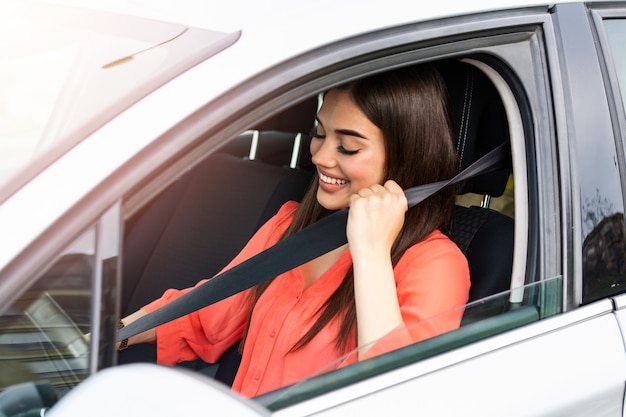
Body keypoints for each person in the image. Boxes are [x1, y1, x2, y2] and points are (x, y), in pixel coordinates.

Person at [119, 64, 470, 398]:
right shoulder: (291, 226)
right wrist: (110, 335)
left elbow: (394, 394)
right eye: (319, 134)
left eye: (348, 146)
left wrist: (372, 254)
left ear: (404, 156)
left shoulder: (436, 266)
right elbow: (205, 312)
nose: (319, 156)